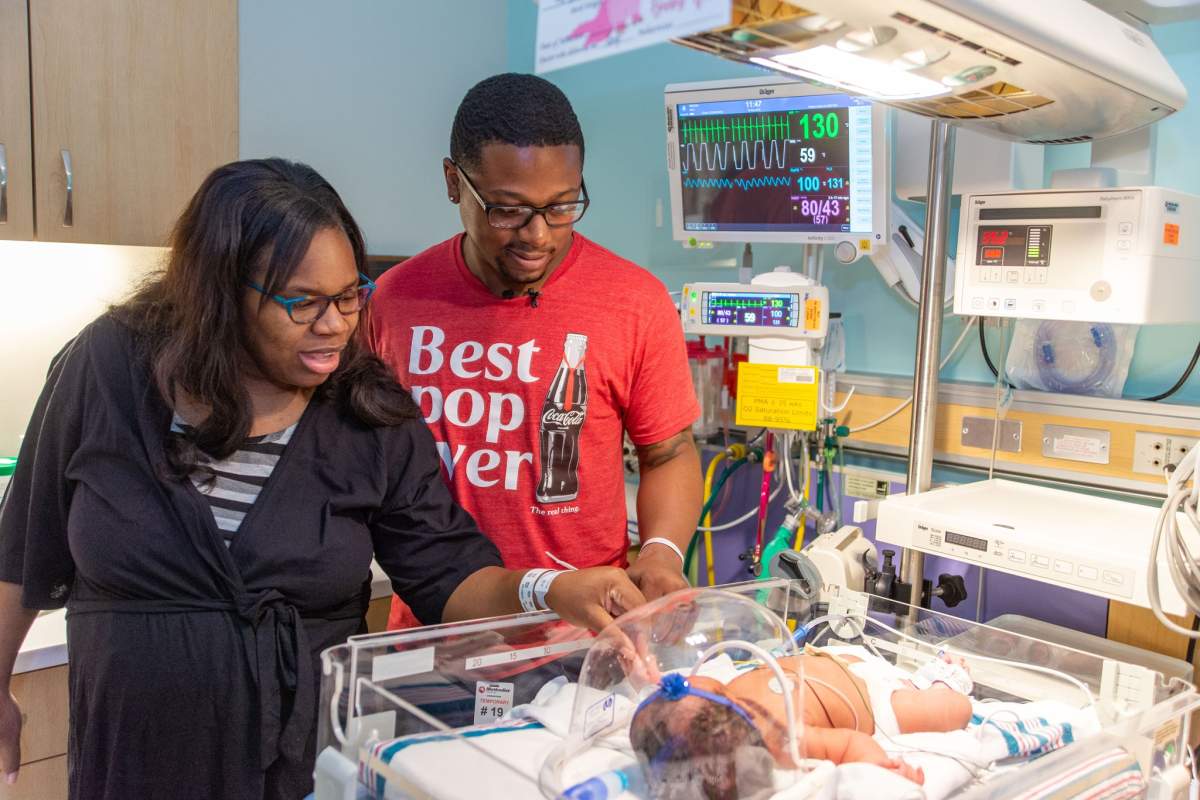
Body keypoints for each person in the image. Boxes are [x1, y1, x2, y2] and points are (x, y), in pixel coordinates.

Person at [0, 158, 647, 799]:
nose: (336, 324)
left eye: (348, 296)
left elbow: (450, 576)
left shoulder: (366, 415)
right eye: (303, 303)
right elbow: (23, 547)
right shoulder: (108, 368)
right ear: (219, 294)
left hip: (299, 770)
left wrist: (550, 590)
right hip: (135, 760)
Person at [368, 73, 702, 631]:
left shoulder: (633, 302)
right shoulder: (393, 303)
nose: (539, 236)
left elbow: (668, 454)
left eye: (562, 206)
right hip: (431, 635)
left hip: (584, 640)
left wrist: (662, 551)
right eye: (508, 210)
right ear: (454, 182)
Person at [629, 649, 977, 798]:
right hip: (876, 702)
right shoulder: (783, 739)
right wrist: (880, 768)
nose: (676, 683)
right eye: (675, 690)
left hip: (833, 662)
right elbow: (848, 745)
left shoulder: (726, 690)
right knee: (950, 711)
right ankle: (946, 680)